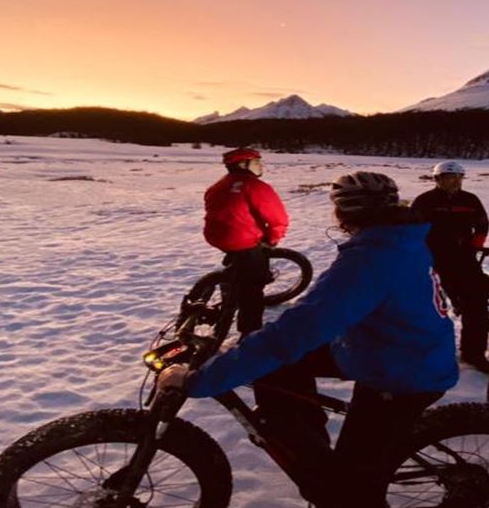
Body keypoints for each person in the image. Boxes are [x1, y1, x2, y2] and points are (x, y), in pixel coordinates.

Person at [163, 171, 458, 507]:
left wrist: (202, 380)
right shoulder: (398, 238)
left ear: (342, 214)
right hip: (395, 348)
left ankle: (329, 478)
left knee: (347, 495)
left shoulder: (371, 257)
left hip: (403, 373)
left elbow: (298, 330)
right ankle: (308, 448)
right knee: (275, 369)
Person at [410, 160, 489, 373]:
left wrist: (476, 242)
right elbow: (412, 228)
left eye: (458, 178)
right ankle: (425, 350)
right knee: (428, 305)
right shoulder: (425, 201)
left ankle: (473, 353)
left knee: (476, 303)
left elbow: (482, 223)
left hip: (464, 257)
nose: (454, 182)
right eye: (449, 178)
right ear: (437, 179)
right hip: (433, 258)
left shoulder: (470, 199)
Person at [203, 147, 289, 334]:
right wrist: (273, 239)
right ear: (244, 164)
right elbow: (277, 218)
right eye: (256, 162)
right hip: (243, 241)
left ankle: (230, 283)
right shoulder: (256, 186)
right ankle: (249, 331)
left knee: (238, 259)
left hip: (216, 237)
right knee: (253, 288)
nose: (260, 166)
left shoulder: (218, 185)